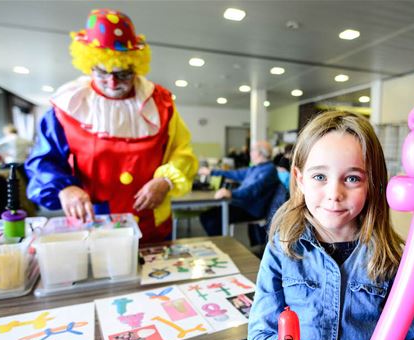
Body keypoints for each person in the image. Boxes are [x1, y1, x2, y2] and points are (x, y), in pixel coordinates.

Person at [247, 111, 414, 340]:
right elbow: (260, 336)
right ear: (300, 179)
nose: (334, 194)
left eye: (352, 178)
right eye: (320, 177)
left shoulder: (388, 257)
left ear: (372, 184)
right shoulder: (282, 248)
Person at [25, 9, 198, 243]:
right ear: (89, 65)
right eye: (102, 73)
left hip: (153, 226)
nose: (113, 82)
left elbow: (183, 152)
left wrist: (165, 181)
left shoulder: (161, 104)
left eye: (123, 74)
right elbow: (42, 162)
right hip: (92, 227)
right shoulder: (68, 106)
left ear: (136, 66)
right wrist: (64, 189)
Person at [198, 140, 279, 236]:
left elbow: (252, 190)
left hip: (250, 209)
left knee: (211, 220)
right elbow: (234, 173)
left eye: (253, 150)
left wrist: (231, 193)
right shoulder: (255, 168)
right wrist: (212, 172)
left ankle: (221, 245)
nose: (250, 153)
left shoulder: (269, 170)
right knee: (206, 216)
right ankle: (220, 242)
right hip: (241, 204)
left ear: (260, 153)